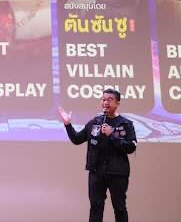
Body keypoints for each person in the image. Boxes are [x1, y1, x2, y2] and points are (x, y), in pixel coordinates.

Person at [58, 89, 137, 222]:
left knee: (119, 208)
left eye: (109, 100)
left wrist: (112, 135)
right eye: (103, 99)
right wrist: (67, 124)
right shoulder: (95, 122)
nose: (105, 102)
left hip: (117, 172)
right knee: (96, 207)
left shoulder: (126, 124)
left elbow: (131, 147)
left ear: (117, 103)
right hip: (96, 172)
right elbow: (77, 139)